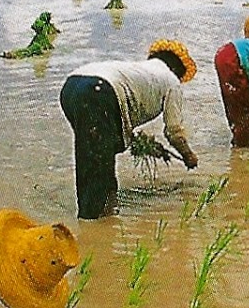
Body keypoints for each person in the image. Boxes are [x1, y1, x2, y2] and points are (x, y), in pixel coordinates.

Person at [60, 41, 199, 218]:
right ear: (177, 69)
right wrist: (187, 155)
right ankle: (91, 224)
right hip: (98, 91)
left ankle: (103, 221)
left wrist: (139, 141)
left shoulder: (141, 71)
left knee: (96, 157)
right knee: (97, 168)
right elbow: (173, 131)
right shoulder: (172, 81)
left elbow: (122, 109)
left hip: (70, 87)